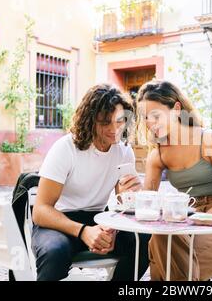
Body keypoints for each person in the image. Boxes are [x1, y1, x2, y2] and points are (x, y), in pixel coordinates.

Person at [32, 84, 150, 281]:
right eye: (105, 122)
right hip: (58, 222)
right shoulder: (66, 148)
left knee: (143, 240)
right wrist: (83, 232)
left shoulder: (123, 151)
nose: (114, 129)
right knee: (54, 252)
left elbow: (124, 205)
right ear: (90, 120)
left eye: (120, 121)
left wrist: (134, 196)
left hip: (98, 219)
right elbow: (41, 210)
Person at [136, 80, 212, 281]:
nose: (150, 123)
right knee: (161, 237)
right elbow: (147, 199)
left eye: (156, 115)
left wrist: (202, 223)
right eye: (145, 118)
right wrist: (135, 193)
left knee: (170, 265)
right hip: (185, 218)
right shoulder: (158, 154)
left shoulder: (208, 140)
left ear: (177, 109)